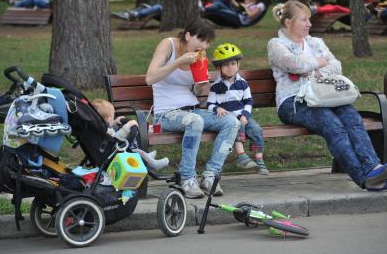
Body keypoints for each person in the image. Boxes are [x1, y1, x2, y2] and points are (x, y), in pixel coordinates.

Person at [267, 0, 387, 192]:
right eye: (304, 20)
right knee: (332, 125)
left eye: (309, 20)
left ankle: (374, 168)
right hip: (294, 101)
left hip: (326, 96)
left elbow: (336, 66)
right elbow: (294, 64)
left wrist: (312, 69)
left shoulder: (315, 42)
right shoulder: (276, 44)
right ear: (288, 22)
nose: (309, 24)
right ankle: (363, 177)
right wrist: (319, 63)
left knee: (353, 118)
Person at [145, 19, 239, 198]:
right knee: (195, 121)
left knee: (231, 121)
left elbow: (195, 89)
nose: (204, 46)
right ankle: (186, 178)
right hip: (166, 114)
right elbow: (149, 78)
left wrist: (201, 87)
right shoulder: (168, 45)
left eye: (207, 42)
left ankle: (210, 175)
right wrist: (178, 61)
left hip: (193, 110)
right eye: (201, 40)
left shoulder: (199, 57)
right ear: (188, 36)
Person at [207, 43, 268, 175]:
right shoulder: (216, 86)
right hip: (228, 117)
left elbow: (248, 101)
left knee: (256, 129)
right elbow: (210, 104)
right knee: (236, 125)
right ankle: (241, 155)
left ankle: (259, 159)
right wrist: (217, 109)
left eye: (233, 63)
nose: (230, 68)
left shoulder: (242, 83)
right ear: (219, 68)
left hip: (243, 115)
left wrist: (245, 114)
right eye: (226, 65)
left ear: (238, 65)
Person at [91, 99, 168, 171]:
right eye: (112, 117)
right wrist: (128, 125)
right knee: (137, 152)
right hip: (116, 152)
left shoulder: (98, 128)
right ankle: (154, 164)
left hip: (108, 151)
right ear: (108, 119)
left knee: (140, 152)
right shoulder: (106, 131)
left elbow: (109, 128)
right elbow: (117, 137)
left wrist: (114, 122)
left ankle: (147, 157)